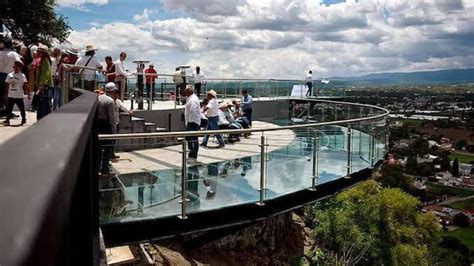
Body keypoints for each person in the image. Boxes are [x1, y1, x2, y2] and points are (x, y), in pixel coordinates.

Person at [97, 83, 117, 175]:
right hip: (106, 125)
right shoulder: (110, 101)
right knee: (107, 149)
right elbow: (112, 118)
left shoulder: (98, 98)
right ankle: (104, 168)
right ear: (113, 91)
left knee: (98, 148)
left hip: (97, 124)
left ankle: (97, 167)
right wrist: (113, 131)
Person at [2, 60, 28, 126]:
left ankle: (24, 119)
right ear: (13, 67)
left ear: (20, 68)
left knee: (22, 108)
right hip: (11, 95)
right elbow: (7, 85)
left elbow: (25, 84)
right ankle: (7, 120)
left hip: (19, 95)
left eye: (18, 67)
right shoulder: (9, 75)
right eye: (15, 67)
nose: (16, 68)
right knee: (9, 109)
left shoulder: (22, 75)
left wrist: (26, 90)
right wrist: (6, 94)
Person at [0, 37, 21, 111]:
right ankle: (8, 110)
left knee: (1, 93)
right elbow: (19, 62)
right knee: (9, 94)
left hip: (0, 74)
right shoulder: (14, 54)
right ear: (11, 45)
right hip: (9, 75)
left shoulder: (0, 53)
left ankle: (1, 108)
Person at [184, 85, 201, 162]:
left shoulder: (193, 99)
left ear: (190, 91)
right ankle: (191, 155)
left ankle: (193, 156)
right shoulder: (190, 98)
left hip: (192, 122)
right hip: (191, 122)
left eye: (186, 90)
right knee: (189, 139)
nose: (185, 92)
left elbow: (193, 111)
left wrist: (189, 122)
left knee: (193, 140)